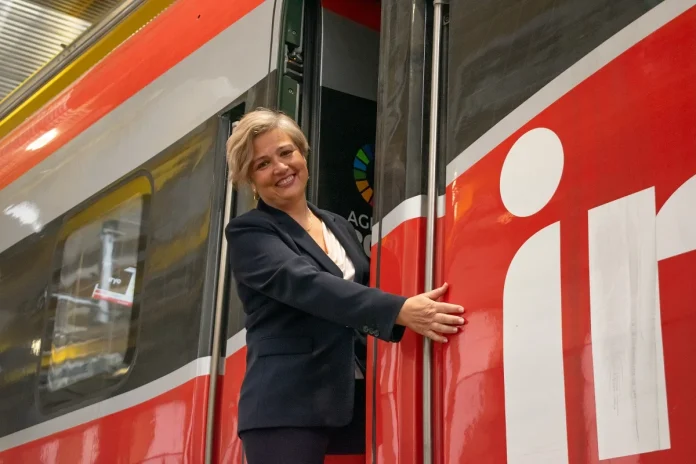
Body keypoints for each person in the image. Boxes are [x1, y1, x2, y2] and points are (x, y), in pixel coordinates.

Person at [224, 108, 465, 463]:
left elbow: (359, 291)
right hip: (284, 407)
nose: (280, 168)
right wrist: (399, 310)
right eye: (262, 164)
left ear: (302, 153)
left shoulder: (337, 224)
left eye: (286, 152)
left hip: (350, 399)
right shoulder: (250, 232)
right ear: (250, 179)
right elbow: (307, 285)